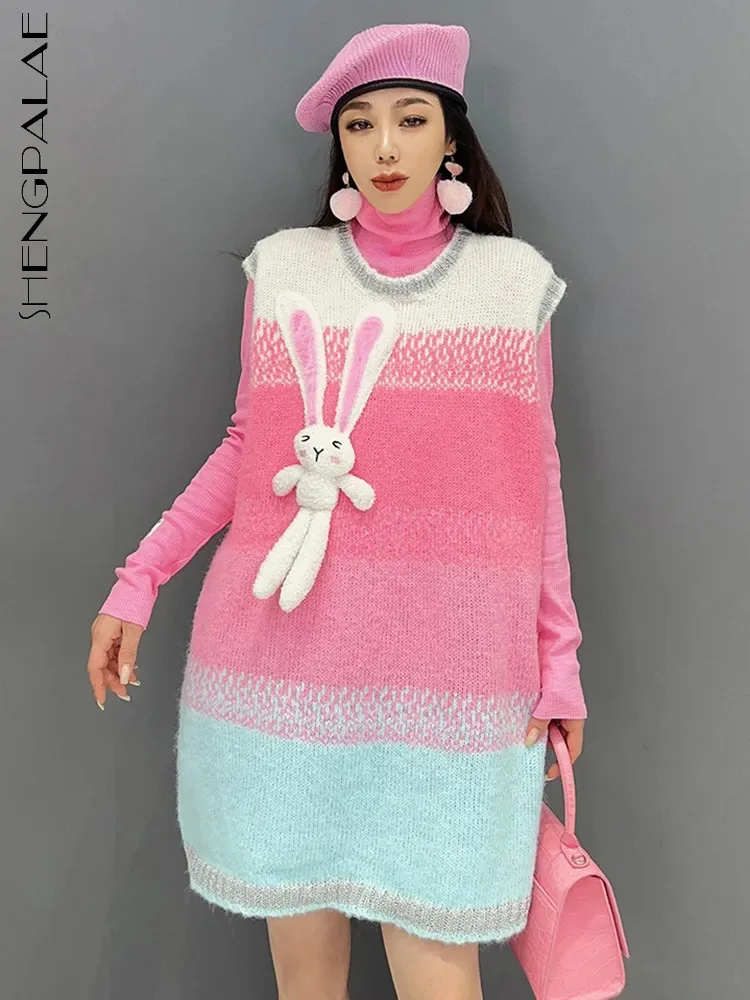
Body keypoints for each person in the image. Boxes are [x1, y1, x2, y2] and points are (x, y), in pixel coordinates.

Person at [86, 22, 587, 1000]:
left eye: (411, 119)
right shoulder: (286, 273)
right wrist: (137, 580)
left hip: (454, 683)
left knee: (438, 964)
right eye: (361, 125)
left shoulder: (511, 287)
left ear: (451, 135)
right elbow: (249, 448)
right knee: (305, 976)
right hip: (282, 668)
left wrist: (559, 661)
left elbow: (538, 485)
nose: (386, 147)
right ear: (341, 146)